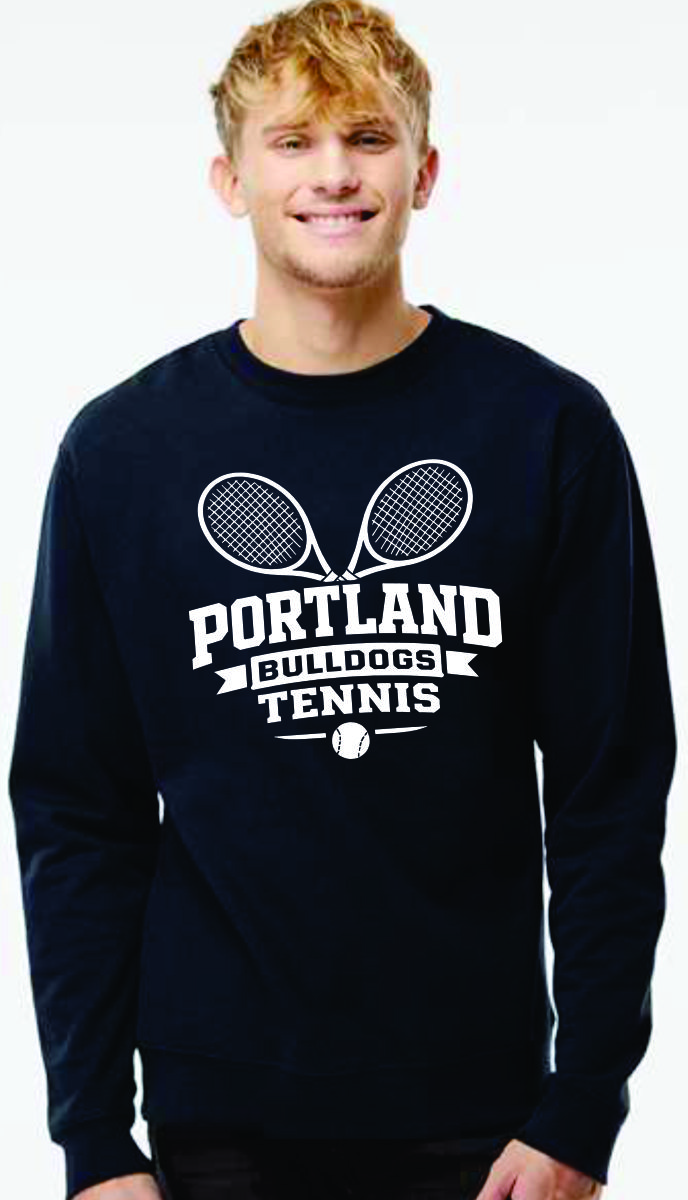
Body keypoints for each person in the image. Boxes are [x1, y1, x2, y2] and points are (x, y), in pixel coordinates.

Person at [7, 1, 676, 1199]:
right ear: (230, 180)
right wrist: (93, 1140)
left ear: (424, 172)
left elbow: (608, 793)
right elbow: (76, 811)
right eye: (292, 141)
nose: (333, 175)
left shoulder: (545, 429)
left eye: (368, 138)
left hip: (487, 1119)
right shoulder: (122, 452)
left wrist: (582, 1111)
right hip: (217, 1117)